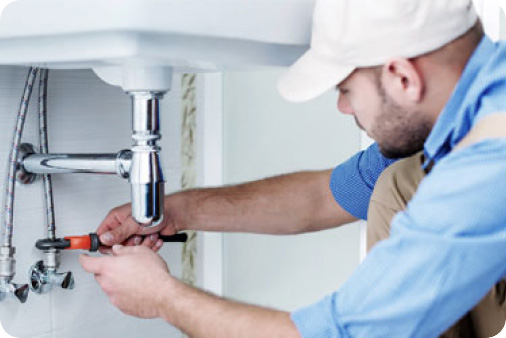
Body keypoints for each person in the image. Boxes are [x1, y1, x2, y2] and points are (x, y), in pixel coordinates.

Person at [79, 0, 506, 336]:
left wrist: (163, 298)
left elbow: (340, 335)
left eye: (346, 89)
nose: (342, 108)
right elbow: (322, 198)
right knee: (396, 181)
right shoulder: (470, 110)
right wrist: (178, 211)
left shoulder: (489, 164)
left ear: (402, 79)